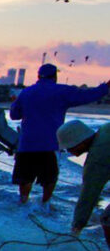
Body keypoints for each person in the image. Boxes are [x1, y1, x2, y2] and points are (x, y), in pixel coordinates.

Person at [9, 64, 108, 205]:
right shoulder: (62, 91)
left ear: (38, 76)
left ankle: (23, 204)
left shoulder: (26, 93)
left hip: (27, 144)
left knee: (25, 178)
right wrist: (106, 87)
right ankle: (45, 205)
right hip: (51, 144)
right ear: (55, 76)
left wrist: (15, 104)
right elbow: (87, 95)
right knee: (49, 178)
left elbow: (14, 115)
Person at [56, 120, 110, 248]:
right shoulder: (105, 128)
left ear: (80, 142)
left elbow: (88, 195)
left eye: (69, 147)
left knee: (108, 219)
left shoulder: (96, 159)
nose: (69, 151)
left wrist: (76, 228)